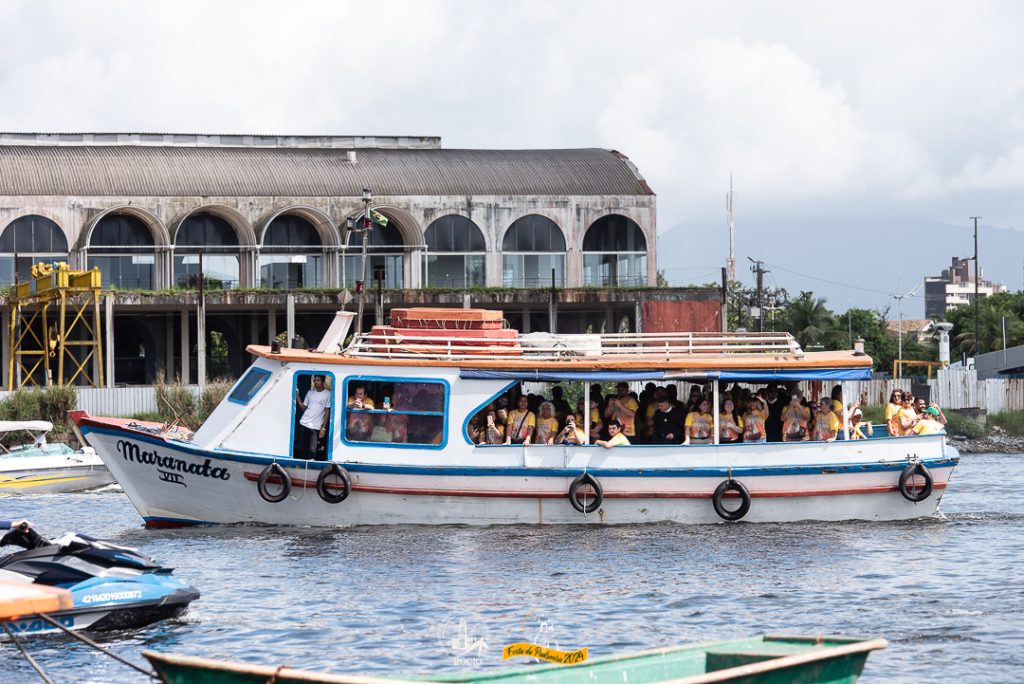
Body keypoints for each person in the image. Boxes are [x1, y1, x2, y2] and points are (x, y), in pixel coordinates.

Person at [296, 375, 331, 459]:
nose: (315, 382)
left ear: (323, 381)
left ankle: (311, 469)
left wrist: (323, 428)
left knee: (312, 451)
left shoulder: (327, 394)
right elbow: (303, 408)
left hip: (315, 427)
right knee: (303, 449)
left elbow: (327, 411)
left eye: (318, 380)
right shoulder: (310, 392)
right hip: (304, 424)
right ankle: (303, 469)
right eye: (314, 380)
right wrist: (297, 396)